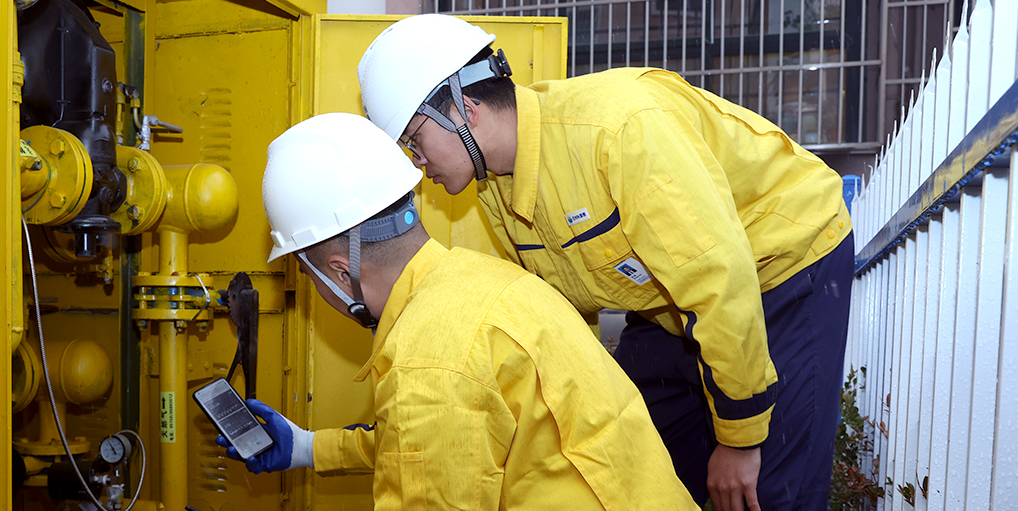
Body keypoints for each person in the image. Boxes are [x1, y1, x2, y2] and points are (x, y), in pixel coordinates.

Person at [355, 14, 856, 511]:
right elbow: (555, 316)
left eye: (414, 140)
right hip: (669, 300)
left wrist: (740, 442)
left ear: (465, 110)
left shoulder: (618, 131)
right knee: (631, 456)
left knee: (763, 494)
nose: (416, 162)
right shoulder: (494, 189)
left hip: (782, 264)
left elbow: (717, 279)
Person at [216, 112, 697, 510]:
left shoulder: (427, 363)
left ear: (340, 272)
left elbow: (432, 427)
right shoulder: (490, 281)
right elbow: (434, 441)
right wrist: (306, 447)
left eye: (309, 276)